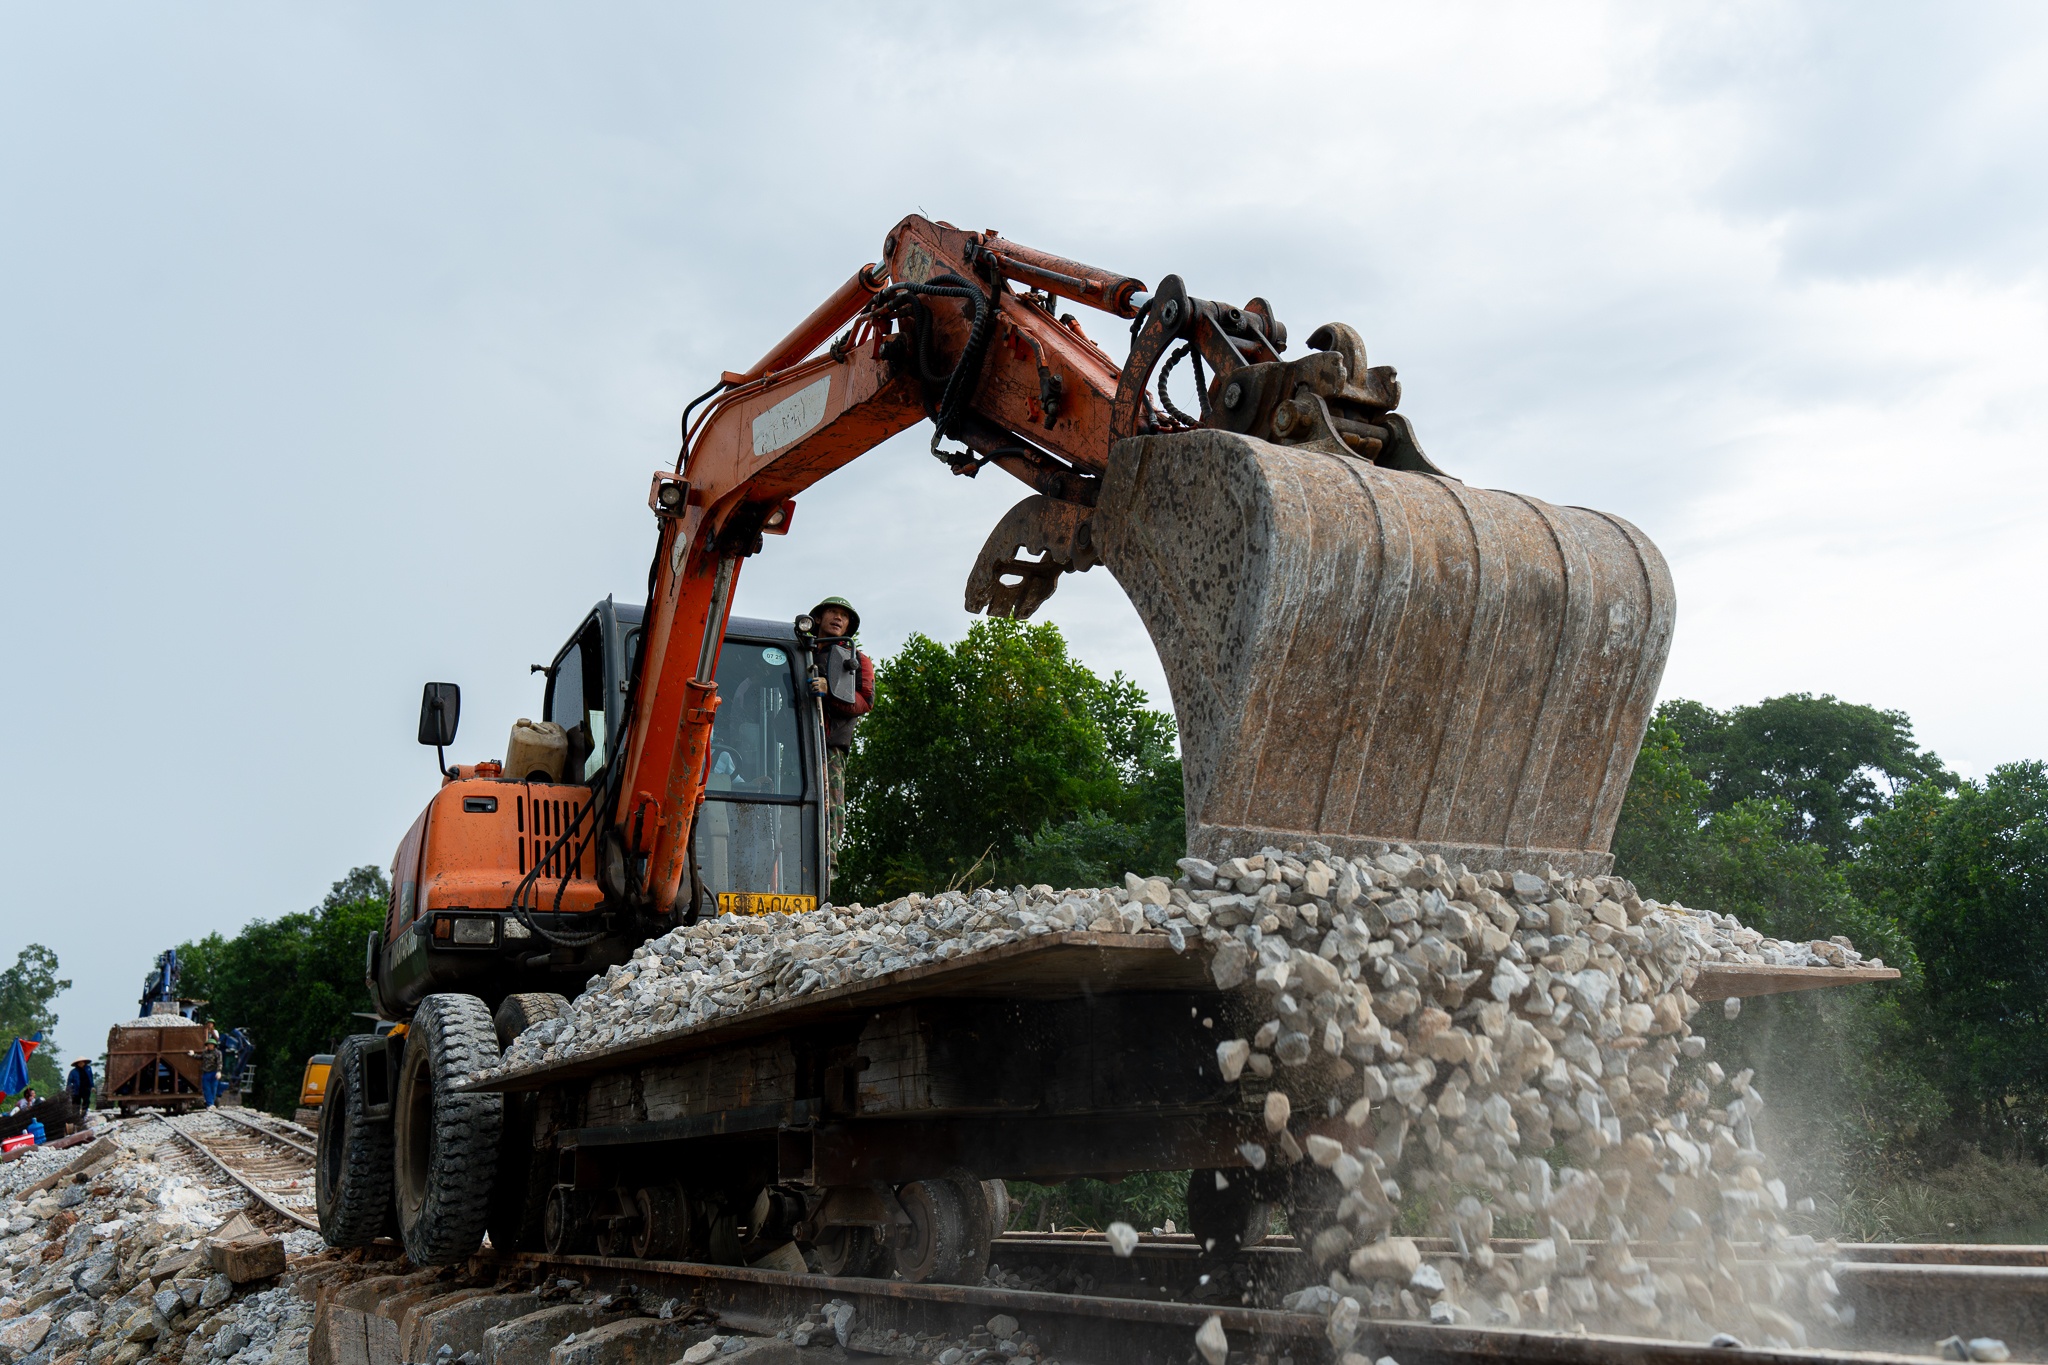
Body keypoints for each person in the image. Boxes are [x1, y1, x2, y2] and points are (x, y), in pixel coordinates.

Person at [807, 596, 874, 874]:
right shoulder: (802, 653)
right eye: (832, 612)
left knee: (831, 805)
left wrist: (829, 693)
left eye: (843, 616)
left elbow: (865, 702)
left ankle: (826, 868)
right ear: (819, 619)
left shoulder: (857, 660)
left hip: (831, 746)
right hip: (799, 745)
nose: (837, 618)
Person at [198, 1027, 223, 1107]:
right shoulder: (205, 1053)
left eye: (211, 1045)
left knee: (213, 1089)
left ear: (214, 1045)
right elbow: (200, 1057)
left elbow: (219, 1062)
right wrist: (192, 1055)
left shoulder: (218, 1053)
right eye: (209, 1044)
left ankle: (211, 1103)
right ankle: (210, 1104)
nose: (210, 1046)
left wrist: (219, 1071)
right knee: (206, 1089)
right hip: (206, 1073)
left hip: (214, 1073)